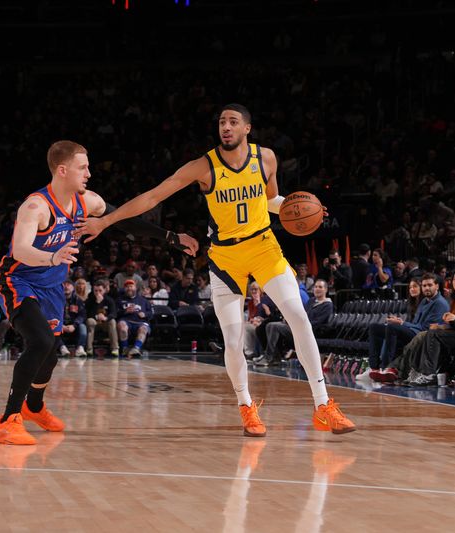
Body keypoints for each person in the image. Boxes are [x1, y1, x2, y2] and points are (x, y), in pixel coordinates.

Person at [75, 105, 355, 436]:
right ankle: (246, 406)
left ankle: (323, 405)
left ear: (247, 128)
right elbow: (152, 197)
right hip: (225, 256)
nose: (226, 126)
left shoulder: (266, 158)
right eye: (222, 121)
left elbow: (271, 200)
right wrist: (106, 220)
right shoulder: (203, 166)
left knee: (297, 314)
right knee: (234, 340)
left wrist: (301, 209)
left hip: (264, 246)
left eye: (233, 122)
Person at [0, 140, 197, 445]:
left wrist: (169, 237)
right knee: (40, 341)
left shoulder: (87, 202)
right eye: (82, 167)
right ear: (62, 170)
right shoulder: (36, 206)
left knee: (49, 354)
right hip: (18, 281)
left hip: (51, 286)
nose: (89, 172)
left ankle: (33, 407)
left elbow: (124, 220)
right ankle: (9, 420)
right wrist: (52, 257)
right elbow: (21, 249)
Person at [359, 274, 449, 381]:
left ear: (437, 286)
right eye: (424, 286)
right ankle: (374, 367)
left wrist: (402, 323)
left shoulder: (439, 303)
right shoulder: (425, 301)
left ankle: (386, 367)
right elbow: (415, 323)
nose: (426, 288)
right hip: (415, 330)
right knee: (374, 327)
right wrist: (402, 323)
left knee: (392, 328)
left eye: (430, 285)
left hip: (423, 335)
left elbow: (425, 328)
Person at [254, 279, 334, 366]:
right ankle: (275, 356)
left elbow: (318, 322)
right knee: (269, 325)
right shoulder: (311, 301)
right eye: (315, 287)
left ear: (326, 289)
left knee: (275, 326)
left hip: (310, 331)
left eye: (320, 287)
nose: (317, 289)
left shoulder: (328, 305)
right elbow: (302, 315)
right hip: (299, 327)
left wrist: (299, 324)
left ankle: (268, 357)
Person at [116, 279, 153, 357]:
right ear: (124, 288)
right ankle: (124, 349)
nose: (129, 288)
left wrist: (145, 314)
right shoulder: (119, 300)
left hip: (140, 322)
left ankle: (136, 348)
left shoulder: (144, 301)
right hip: (126, 320)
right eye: (127, 287)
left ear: (135, 288)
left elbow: (151, 314)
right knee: (122, 326)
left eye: (131, 286)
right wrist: (125, 311)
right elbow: (115, 313)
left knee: (143, 328)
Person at [85, 279, 119, 356]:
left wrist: (106, 318)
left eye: (100, 290)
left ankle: (115, 348)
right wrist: (97, 304)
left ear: (104, 290)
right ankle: (89, 349)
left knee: (112, 321)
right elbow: (87, 314)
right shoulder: (90, 300)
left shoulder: (109, 300)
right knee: (90, 321)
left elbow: (114, 314)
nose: (97, 293)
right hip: (94, 323)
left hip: (105, 323)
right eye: (95, 290)